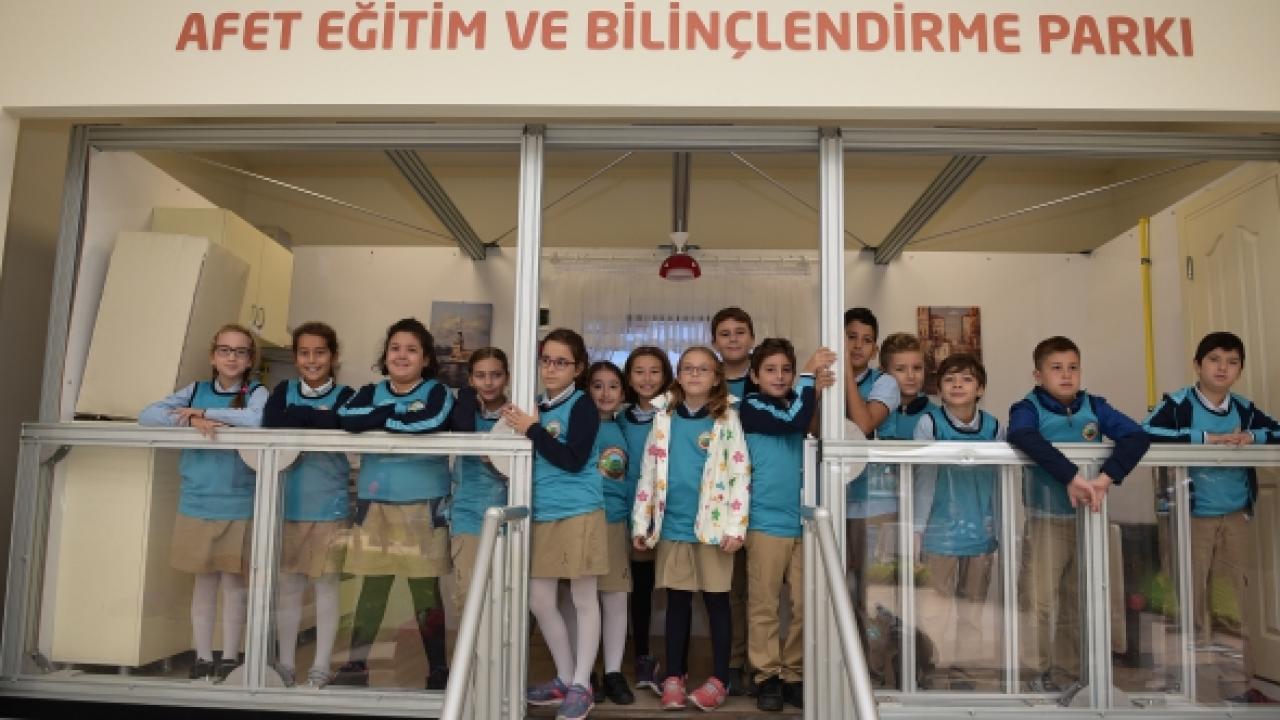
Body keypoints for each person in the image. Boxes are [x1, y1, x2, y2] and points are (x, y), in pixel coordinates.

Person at [1143, 331, 1280, 704]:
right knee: (1184, 603)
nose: (1223, 368)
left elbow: (1275, 432)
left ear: (1240, 370)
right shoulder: (1177, 404)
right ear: (1197, 365)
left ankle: (1236, 686)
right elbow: (1145, 433)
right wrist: (1206, 438)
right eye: (1214, 359)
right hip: (1189, 518)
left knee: (1231, 603)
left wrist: (1252, 437)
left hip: (1233, 517)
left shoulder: (1244, 409)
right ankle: (1181, 687)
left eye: (1232, 362)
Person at [1008, 336, 1150, 692]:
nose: (1066, 375)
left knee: (1077, 599)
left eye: (1073, 367)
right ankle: (1034, 674)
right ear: (1038, 375)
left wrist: (1104, 479)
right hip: (1046, 519)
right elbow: (1022, 436)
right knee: (1039, 600)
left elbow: (1136, 437)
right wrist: (1071, 476)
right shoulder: (1027, 408)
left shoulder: (1094, 406)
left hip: (1088, 519)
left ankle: (1068, 674)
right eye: (1056, 368)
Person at [139, 323, 268, 682]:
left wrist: (205, 415)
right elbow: (147, 416)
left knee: (234, 585)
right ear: (213, 356)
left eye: (240, 351)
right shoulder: (194, 390)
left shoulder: (256, 392)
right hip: (196, 501)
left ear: (250, 360)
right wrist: (194, 417)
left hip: (239, 501)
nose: (232, 357)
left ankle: (230, 656)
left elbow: (257, 420)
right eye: (225, 350)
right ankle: (203, 656)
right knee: (204, 584)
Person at [334, 318, 454, 690]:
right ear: (385, 355)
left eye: (411, 350)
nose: (402, 355)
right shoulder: (369, 391)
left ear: (426, 359)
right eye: (395, 348)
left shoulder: (438, 392)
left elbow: (431, 421)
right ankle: (355, 666)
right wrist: (396, 415)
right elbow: (346, 418)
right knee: (372, 588)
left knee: (425, 592)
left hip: (423, 504)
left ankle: (438, 671)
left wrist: (381, 418)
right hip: (375, 503)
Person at [632, 346, 751, 712]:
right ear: (679, 376)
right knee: (677, 603)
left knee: (717, 603)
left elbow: (740, 473)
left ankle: (720, 679)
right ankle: (674, 676)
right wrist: (641, 522)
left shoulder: (727, 419)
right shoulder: (663, 418)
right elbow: (647, 473)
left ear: (716, 378)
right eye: (688, 368)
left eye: (703, 369)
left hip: (713, 529)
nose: (695, 374)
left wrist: (736, 527)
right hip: (672, 526)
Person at [505, 328, 604, 720]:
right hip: (543, 512)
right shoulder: (535, 406)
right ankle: (564, 676)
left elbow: (573, 459)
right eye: (546, 360)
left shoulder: (582, 405)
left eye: (561, 362)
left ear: (577, 368)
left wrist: (531, 429)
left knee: (583, 598)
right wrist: (529, 424)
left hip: (580, 511)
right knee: (540, 600)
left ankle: (582, 684)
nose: (550, 368)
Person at [739, 338, 835, 711]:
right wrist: (809, 379)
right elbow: (792, 421)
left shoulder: (800, 400)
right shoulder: (752, 405)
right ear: (754, 376)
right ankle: (766, 676)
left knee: (804, 603)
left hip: (804, 521)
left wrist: (811, 388)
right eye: (770, 370)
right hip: (765, 522)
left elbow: (807, 423)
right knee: (763, 604)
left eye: (787, 370)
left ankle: (794, 673)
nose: (779, 377)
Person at [262, 322, 355, 689]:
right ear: (295, 357)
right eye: (304, 353)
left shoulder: (347, 395)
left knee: (326, 586)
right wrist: (317, 418)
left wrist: (300, 417)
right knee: (288, 588)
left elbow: (340, 422)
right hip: (287, 504)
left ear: (333, 356)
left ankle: (320, 666)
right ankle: (286, 664)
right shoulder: (282, 391)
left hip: (329, 506)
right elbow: (272, 422)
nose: (312, 360)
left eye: (320, 352)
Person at [912, 353, 1003, 691]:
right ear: (939, 388)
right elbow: (923, 480)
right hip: (939, 534)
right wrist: (917, 529)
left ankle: (964, 673)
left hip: (980, 533)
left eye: (966, 379)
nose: (958, 385)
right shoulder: (929, 424)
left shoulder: (994, 427)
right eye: (949, 379)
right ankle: (930, 670)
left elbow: (1000, 483)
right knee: (933, 610)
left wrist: (1002, 530)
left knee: (973, 610)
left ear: (980, 388)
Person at [840, 308, 901, 672]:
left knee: (874, 594)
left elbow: (864, 424)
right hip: (834, 501)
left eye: (866, 340)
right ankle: (842, 669)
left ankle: (874, 672)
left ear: (875, 349)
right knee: (836, 591)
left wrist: (845, 374)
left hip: (875, 505)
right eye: (850, 337)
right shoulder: (825, 377)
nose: (857, 346)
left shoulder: (885, 383)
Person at [617, 346, 673, 693]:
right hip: (621, 512)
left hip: (661, 515)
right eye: (639, 371)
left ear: (665, 376)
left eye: (655, 371)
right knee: (620, 590)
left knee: (650, 588)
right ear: (629, 377)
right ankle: (620, 659)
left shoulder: (673, 416)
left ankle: (647, 656)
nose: (647, 378)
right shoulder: (618, 417)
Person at [710, 306, 756, 692]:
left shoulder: (767, 377)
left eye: (740, 332)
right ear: (714, 342)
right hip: (724, 501)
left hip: (764, 495)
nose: (733, 339)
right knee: (732, 589)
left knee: (761, 591)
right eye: (725, 334)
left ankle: (763, 665)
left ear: (752, 338)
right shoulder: (708, 383)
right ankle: (736, 662)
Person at [585, 361, 636, 705]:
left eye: (613, 386)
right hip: (582, 518)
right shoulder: (580, 424)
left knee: (615, 597)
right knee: (581, 599)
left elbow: (632, 479)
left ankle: (614, 672)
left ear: (622, 392)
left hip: (615, 521)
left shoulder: (624, 428)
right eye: (597, 385)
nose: (605, 393)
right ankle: (585, 670)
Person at [447, 347, 510, 614]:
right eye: (481, 375)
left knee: (504, 598)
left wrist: (496, 462)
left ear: (507, 377)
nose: (488, 382)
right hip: (467, 515)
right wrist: (466, 399)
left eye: (496, 375)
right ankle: (472, 646)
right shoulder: (463, 412)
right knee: (470, 595)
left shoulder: (515, 416)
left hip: (507, 516)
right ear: (471, 379)